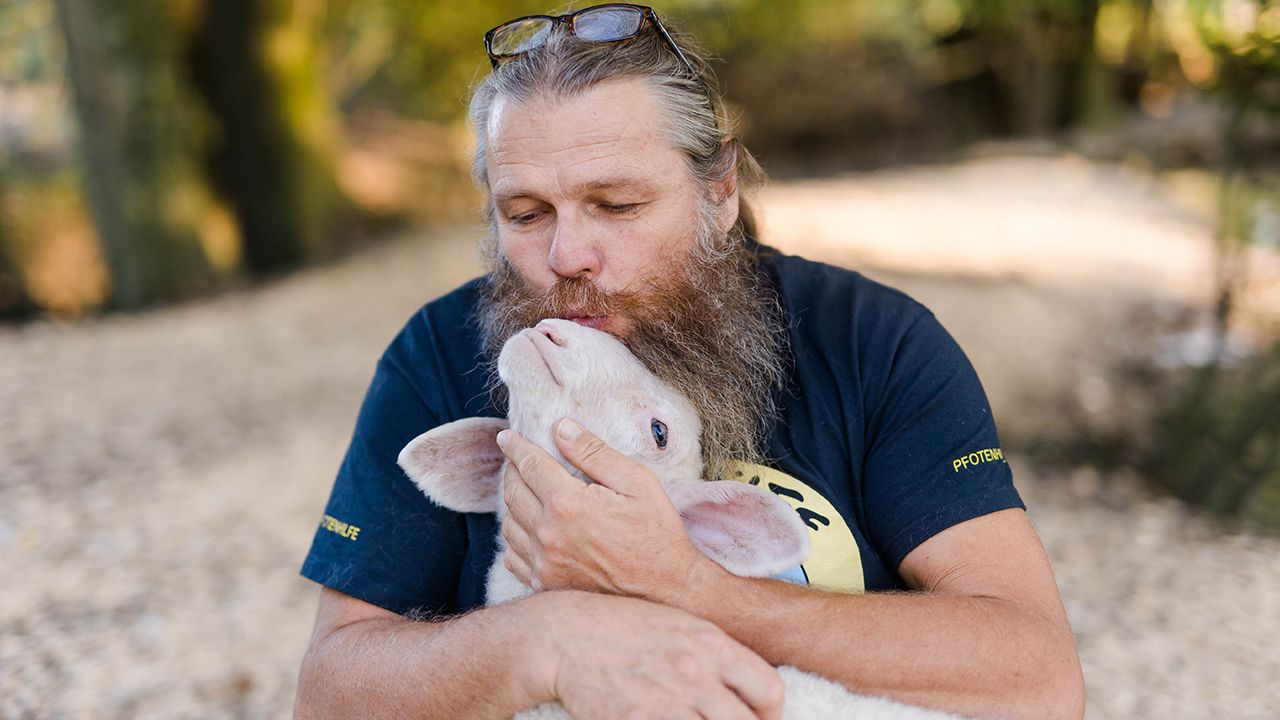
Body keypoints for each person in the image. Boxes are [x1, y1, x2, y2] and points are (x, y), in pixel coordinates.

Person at [294, 5, 1084, 719]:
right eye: (527, 214)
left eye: (618, 205)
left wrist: (689, 587)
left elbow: (1037, 677)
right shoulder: (439, 354)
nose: (567, 255)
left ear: (720, 192)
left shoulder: (873, 342)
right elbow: (329, 693)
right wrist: (547, 641)